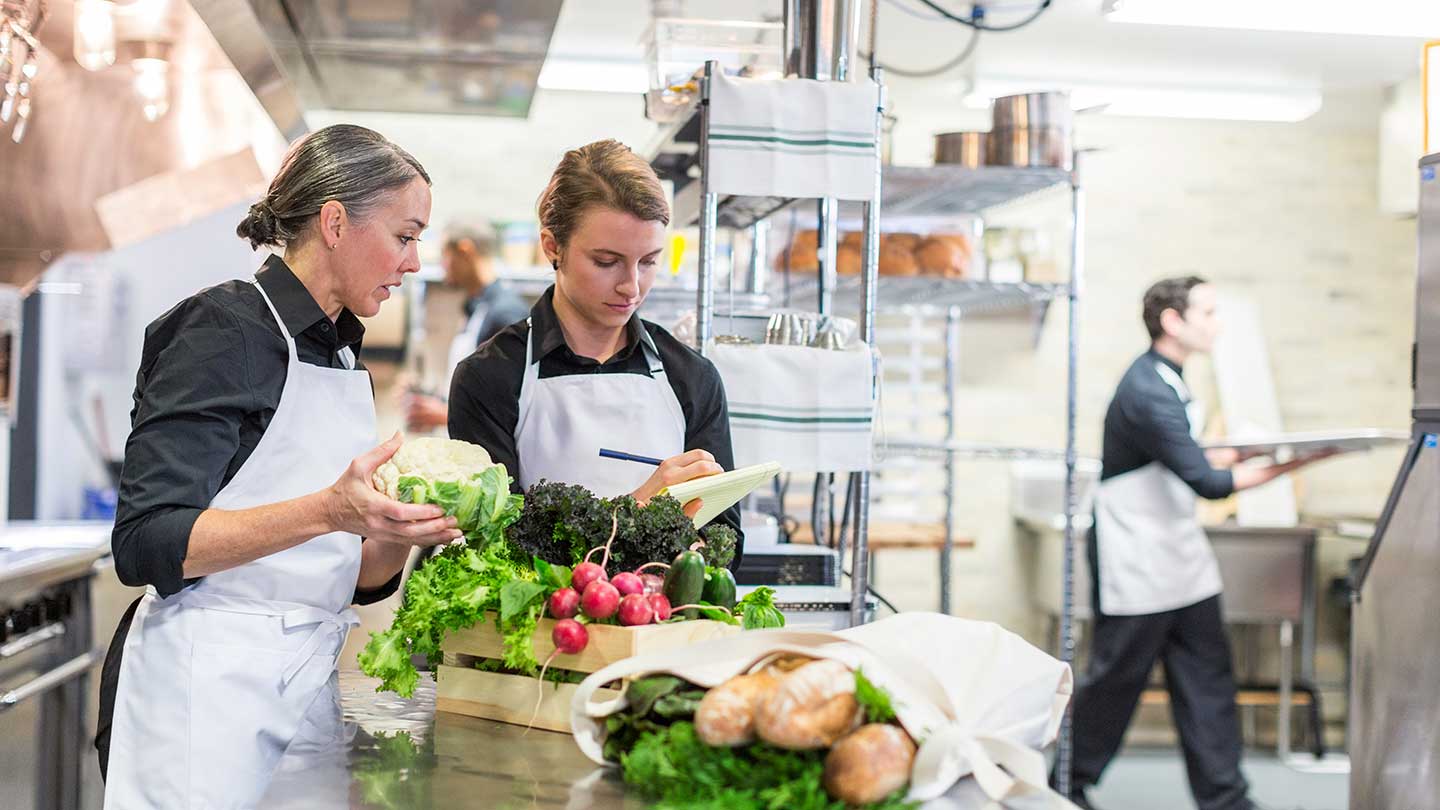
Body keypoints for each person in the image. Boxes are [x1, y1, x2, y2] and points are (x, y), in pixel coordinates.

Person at [95, 125, 459, 810]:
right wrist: (329, 510)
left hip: (303, 691)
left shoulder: (342, 355)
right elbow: (146, 543)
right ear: (334, 223)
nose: (413, 262)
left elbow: (349, 576)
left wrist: (398, 530)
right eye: (405, 236)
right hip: (201, 698)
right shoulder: (222, 328)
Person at [1062, 276, 1338, 810]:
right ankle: (1064, 785)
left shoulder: (1171, 380)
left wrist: (1253, 454)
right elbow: (1207, 484)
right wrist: (1298, 461)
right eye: (1208, 312)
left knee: (1208, 680)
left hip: (1181, 560)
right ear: (1172, 321)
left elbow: (1187, 456)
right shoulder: (1145, 390)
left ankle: (1226, 799)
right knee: (1115, 682)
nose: (1218, 323)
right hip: (1136, 558)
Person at [447, 139, 744, 560]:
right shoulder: (492, 376)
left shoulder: (691, 376)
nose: (632, 286)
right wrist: (639, 508)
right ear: (553, 247)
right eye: (607, 262)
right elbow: (493, 545)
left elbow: (725, 544)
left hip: (661, 623)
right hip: (539, 624)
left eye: (649, 261)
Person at [404, 225, 529, 433]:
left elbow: (512, 403)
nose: (443, 267)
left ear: (465, 251)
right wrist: (435, 400)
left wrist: (444, 414)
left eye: (445, 255)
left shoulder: (506, 312)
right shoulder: (478, 306)